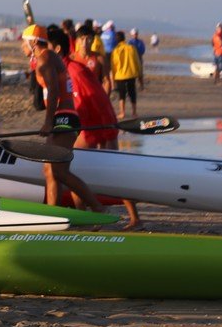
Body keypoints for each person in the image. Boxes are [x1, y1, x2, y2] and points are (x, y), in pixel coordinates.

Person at [48, 27, 142, 230]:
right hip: (89, 121)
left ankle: (127, 218)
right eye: (83, 39)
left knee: (104, 170)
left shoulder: (76, 69)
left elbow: (94, 97)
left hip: (96, 123)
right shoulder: (68, 64)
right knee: (75, 169)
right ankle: (87, 217)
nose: (86, 42)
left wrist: (105, 127)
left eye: (89, 39)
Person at [21, 24, 104, 213]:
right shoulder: (45, 58)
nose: (22, 47)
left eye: (24, 43)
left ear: (33, 42)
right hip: (63, 116)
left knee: (59, 171)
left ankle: (98, 208)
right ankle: (53, 214)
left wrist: (48, 121)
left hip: (64, 118)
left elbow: (54, 90)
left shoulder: (45, 58)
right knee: (50, 171)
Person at [111, 30, 142, 118]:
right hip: (131, 74)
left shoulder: (115, 50)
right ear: (124, 38)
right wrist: (140, 75)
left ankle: (122, 112)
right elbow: (137, 62)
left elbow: (113, 66)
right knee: (132, 93)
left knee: (122, 94)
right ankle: (134, 112)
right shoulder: (131, 48)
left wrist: (113, 79)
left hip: (120, 75)